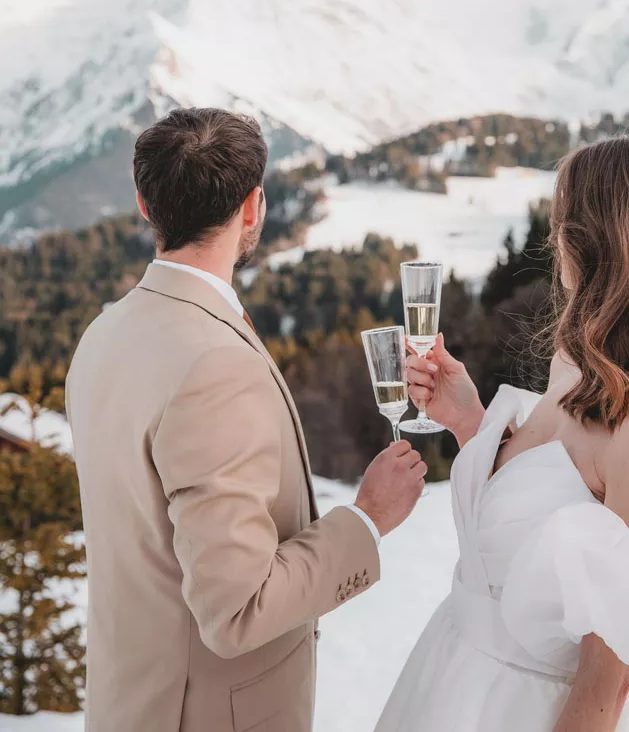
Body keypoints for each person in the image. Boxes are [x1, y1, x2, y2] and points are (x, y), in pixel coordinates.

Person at [377, 135, 629, 732]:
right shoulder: (580, 360)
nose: (555, 238)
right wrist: (468, 419)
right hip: (459, 680)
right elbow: (537, 505)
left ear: (600, 240)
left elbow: (606, 683)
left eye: (565, 221)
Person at [66, 108, 426, 732]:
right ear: (254, 208)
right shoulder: (215, 365)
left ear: (145, 206)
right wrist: (368, 518)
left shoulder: (102, 335)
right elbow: (238, 610)